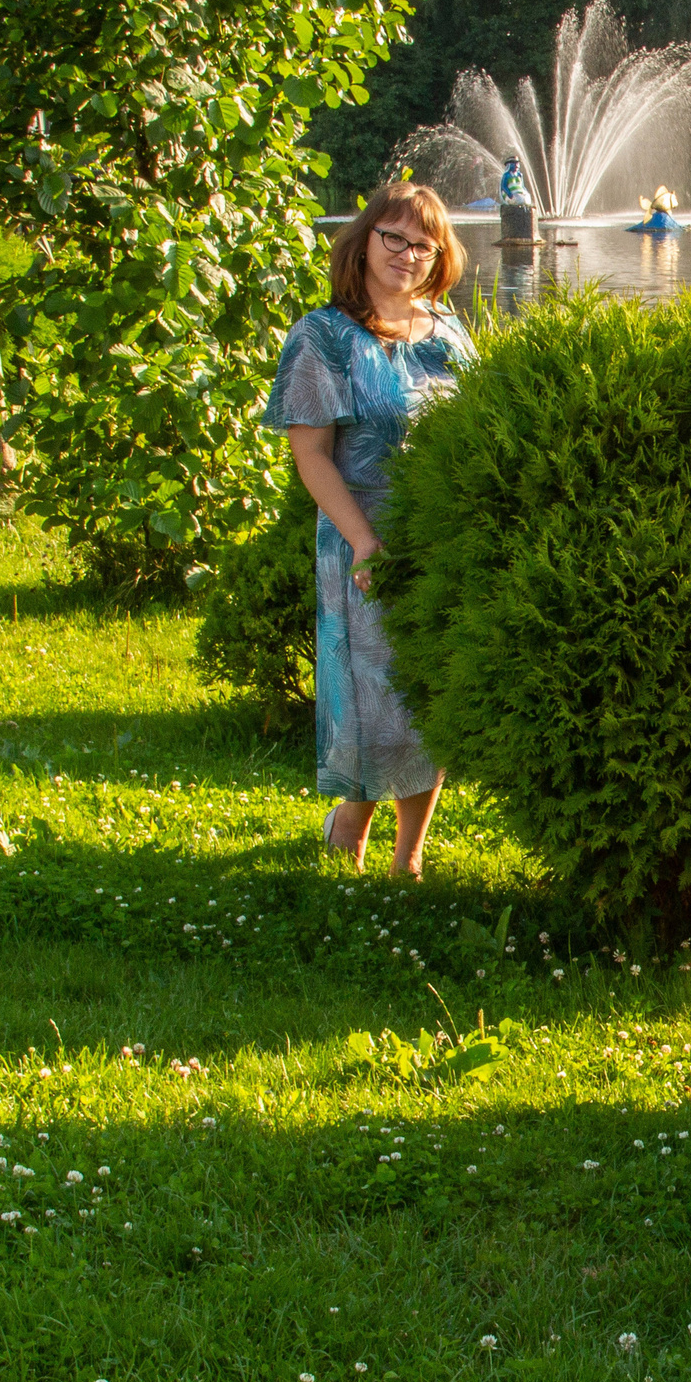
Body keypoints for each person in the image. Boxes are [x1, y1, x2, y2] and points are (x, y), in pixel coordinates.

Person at [263, 182, 475, 876]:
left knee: (428, 696)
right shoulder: (322, 336)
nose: (408, 254)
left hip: (437, 540)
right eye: (394, 237)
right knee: (373, 697)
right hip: (362, 538)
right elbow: (311, 456)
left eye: (424, 245)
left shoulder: (450, 334)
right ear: (363, 242)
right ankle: (350, 825)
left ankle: (408, 857)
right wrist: (363, 540)